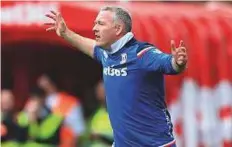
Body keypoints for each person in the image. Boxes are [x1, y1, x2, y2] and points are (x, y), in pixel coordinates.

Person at [45, 6, 188, 147]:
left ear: (118, 29)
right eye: (95, 23)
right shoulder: (106, 54)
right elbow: (90, 46)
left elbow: (168, 64)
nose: (95, 28)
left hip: (155, 144)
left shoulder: (142, 53)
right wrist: (66, 33)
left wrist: (177, 62)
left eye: (100, 23)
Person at [37, 72, 86, 147]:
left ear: (51, 83)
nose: (40, 85)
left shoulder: (70, 102)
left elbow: (78, 132)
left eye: (44, 82)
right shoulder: (35, 102)